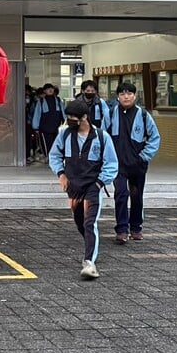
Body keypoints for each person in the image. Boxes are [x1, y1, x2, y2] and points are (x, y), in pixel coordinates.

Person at [49, 100, 118, 280]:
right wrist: (61, 174)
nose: (70, 120)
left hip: (93, 186)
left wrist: (99, 183)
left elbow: (111, 163)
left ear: (84, 117)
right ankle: (91, 244)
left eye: (73, 117)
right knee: (79, 221)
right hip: (73, 187)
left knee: (89, 223)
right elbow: (54, 155)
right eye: (68, 117)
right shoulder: (65, 135)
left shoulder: (102, 137)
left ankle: (89, 262)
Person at [104, 82, 161, 244]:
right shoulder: (110, 113)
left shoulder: (143, 115)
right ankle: (122, 229)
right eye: (122, 94)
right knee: (121, 194)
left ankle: (136, 228)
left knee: (137, 196)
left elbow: (155, 138)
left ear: (135, 96)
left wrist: (143, 156)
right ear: (118, 97)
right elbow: (102, 136)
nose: (126, 97)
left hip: (137, 165)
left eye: (129, 94)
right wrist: (106, 158)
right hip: (118, 165)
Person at [31, 83, 65, 156]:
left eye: (51, 88)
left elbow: (63, 113)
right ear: (44, 91)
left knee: (56, 145)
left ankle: (53, 158)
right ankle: (49, 158)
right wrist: (36, 127)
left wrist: (65, 123)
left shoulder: (58, 100)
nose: (50, 90)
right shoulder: (41, 101)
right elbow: (37, 114)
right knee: (46, 146)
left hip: (56, 128)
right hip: (44, 129)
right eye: (47, 89)